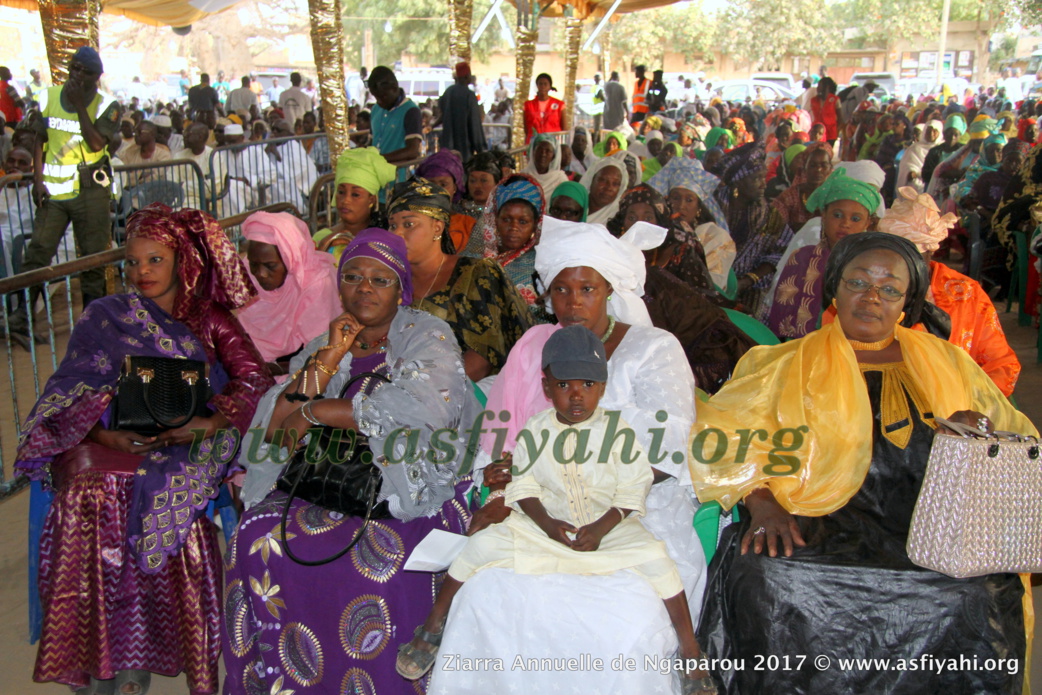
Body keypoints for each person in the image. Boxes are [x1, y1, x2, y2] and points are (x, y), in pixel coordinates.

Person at [692, 231, 1034, 695]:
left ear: (907, 303)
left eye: (890, 289)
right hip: (815, 516)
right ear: (835, 287)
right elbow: (723, 435)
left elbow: (1019, 440)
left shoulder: (950, 363)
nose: (872, 297)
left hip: (931, 525)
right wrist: (761, 501)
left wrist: (976, 434)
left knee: (976, 592)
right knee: (766, 573)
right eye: (858, 282)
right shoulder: (783, 363)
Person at [430, 216, 705, 695]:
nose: (573, 302)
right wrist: (499, 487)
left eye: (587, 288)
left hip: (635, 509)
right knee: (487, 594)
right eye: (561, 290)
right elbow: (504, 431)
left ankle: (687, 658)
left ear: (609, 290)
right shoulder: (536, 347)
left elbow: (664, 452)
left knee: (621, 624)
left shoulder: (652, 349)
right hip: (537, 507)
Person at [16, 203, 273, 695]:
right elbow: (70, 385)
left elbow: (255, 376)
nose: (142, 272)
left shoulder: (209, 317)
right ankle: (97, 654)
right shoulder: (104, 315)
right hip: (108, 436)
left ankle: (139, 653)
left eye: (154, 260)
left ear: (181, 260)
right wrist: (100, 433)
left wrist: (211, 421)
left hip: (184, 441)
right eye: (132, 263)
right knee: (89, 491)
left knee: (158, 493)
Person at [398, 324, 717, 694]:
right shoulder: (535, 430)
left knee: (661, 563)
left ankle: (691, 654)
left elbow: (633, 488)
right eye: (564, 385)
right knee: (477, 550)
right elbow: (525, 486)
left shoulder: (619, 433)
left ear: (603, 387)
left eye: (587, 385)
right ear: (547, 388)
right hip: (543, 524)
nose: (576, 396)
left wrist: (601, 528)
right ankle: (432, 626)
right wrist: (547, 524)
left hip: (607, 526)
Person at [227, 228, 479, 695]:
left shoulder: (427, 335)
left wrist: (320, 411)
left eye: (380, 280)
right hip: (327, 476)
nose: (365, 288)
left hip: (409, 482)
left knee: (376, 563)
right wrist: (327, 358)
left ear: (400, 290)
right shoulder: (332, 337)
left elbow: (425, 414)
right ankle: (281, 681)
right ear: (339, 284)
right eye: (354, 277)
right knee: (255, 534)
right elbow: (279, 426)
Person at [9, 47, 120, 348]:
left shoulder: (107, 105)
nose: (76, 75)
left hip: (90, 191)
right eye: (74, 68)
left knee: (93, 259)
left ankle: (91, 324)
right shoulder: (47, 96)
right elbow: (39, 139)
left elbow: (97, 144)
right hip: (54, 191)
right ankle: (22, 317)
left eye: (84, 71)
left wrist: (78, 107)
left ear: (97, 77)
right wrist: (37, 178)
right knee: (38, 253)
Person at [606, 184, 754, 391]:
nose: (638, 225)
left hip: (684, 334)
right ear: (622, 224)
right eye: (631, 217)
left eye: (648, 217)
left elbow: (700, 295)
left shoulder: (680, 251)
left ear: (660, 221)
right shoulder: (611, 263)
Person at [877, 187, 1020, 396]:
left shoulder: (966, 294)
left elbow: (1001, 363)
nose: (904, 267)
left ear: (931, 251)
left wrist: (972, 404)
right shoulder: (867, 292)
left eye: (914, 257)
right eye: (895, 257)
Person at [388, 177, 532, 381]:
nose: (398, 233)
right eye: (392, 226)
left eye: (409, 224)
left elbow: (484, 356)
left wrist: (430, 395)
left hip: (466, 395)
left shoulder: (474, 273)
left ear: (437, 228)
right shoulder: (388, 279)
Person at [765, 167, 881, 338]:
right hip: (801, 347)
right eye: (837, 215)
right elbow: (782, 314)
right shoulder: (803, 258)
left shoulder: (875, 267)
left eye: (855, 219)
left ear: (868, 223)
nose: (845, 224)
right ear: (824, 216)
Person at [237, 210, 343, 369]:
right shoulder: (247, 276)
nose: (261, 274)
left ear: (290, 259)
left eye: (270, 266)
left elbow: (322, 357)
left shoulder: (317, 285)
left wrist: (274, 370)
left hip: (303, 374)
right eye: (254, 264)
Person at [715, 142, 794, 316]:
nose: (763, 185)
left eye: (763, 178)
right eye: (756, 179)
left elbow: (782, 251)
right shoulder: (712, 209)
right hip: (712, 283)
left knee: (751, 320)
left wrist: (749, 279)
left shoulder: (768, 215)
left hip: (752, 285)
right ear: (737, 183)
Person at [647, 158, 735, 290]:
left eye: (689, 200)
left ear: (699, 207)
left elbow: (709, 287)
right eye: (675, 198)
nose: (681, 206)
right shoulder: (656, 230)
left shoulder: (715, 237)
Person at [472, 173, 545, 307]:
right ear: (495, 220)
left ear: (535, 224)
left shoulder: (540, 267)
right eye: (506, 219)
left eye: (523, 222)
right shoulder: (474, 256)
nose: (513, 227)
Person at [313, 146, 396, 262]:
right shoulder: (321, 238)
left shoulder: (386, 237)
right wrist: (321, 251)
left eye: (355, 194)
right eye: (341, 192)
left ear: (371, 200)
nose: (345, 200)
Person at [415, 149, 476, 253]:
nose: (437, 190)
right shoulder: (412, 222)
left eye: (443, 184)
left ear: (455, 188)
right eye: (431, 184)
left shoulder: (469, 225)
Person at [368, 66, 422, 175]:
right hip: (375, 176)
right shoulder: (375, 109)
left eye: (383, 96)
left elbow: (412, 151)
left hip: (399, 177)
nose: (379, 102)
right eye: (376, 97)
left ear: (394, 88)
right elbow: (371, 143)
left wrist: (380, 159)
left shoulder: (411, 111)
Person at [770, 142, 834, 229]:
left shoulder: (835, 197)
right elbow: (772, 227)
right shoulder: (789, 197)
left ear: (830, 168)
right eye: (812, 165)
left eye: (824, 165)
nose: (818, 169)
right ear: (804, 168)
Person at [436, 62, 487, 163]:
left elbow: (443, 115)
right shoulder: (469, 95)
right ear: (467, 76)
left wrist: (432, 126)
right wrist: (481, 149)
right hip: (464, 149)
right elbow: (474, 124)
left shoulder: (448, 92)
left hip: (447, 148)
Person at [264, 118, 318, 212]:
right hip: (275, 182)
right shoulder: (268, 145)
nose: (275, 132)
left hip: (298, 186)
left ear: (288, 133)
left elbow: (293, 172)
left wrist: (275, 153)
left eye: (278, 130)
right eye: (273, 129)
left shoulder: (293, 145)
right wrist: (268, 149)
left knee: (282, 186)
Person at [172, 121, 223, 210]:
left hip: (206, 201)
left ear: (200, 137)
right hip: (179, 200)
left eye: (188, 134)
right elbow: (171, 185)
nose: (184, 136)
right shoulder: (178, 156)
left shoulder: (214, 156)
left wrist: (183, 185)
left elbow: (212, 189)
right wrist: (198, 186)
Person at [896, 119, 943, 192]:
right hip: (914, 184)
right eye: (928, 131)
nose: (931, 134)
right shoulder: (914, 148)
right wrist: (910, 173)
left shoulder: (942, 150)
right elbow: (906, 167)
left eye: (934, 131)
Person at [581, 155, 628, 225]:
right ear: (591, 180)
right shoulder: (573, 208)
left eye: (615, 184)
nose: (609, 188)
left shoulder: (619, 220)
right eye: (603, 180)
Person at [519, 132, 568, 196]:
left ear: (553, 156)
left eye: (548, 151)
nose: (543, 154)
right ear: (533, 152)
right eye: (539, 149)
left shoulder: (560, 179)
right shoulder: (523, 176)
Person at [522, 73, 565, 143]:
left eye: (545, 84)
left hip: (553, 142)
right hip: (534, 142)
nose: (543, 86)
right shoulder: (528, 105)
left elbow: (564, 128)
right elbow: (526, 128)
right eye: (540, 84)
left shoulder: (559, 104)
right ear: (537, 86)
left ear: (550, 86)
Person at [460, 150, 501, 218]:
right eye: (472, 181)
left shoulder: (503, 212)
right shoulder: (459, 212)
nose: (477, 186)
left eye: (484, 180)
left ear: (497, 183)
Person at [809, 77, 841, 146]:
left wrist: (837, 132)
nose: (817, 88)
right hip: (816, 133)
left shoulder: (835, 100)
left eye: (820, 85)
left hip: (831, 133)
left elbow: (840, 118)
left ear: (827, 87)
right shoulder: (814, 100)